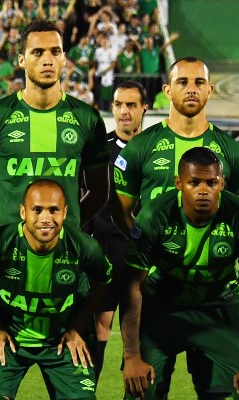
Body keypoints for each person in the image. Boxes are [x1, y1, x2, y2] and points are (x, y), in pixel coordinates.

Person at [120, 147, 239, 400]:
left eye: (211, 182)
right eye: (194, 182)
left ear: (222, 183)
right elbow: (131, 285)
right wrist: (132, 355)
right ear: (179, 183)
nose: (203, 190)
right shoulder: (154, 215)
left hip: (219, 308)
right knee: (142, 391)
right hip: (162, 308)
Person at [0, 179, 112, 400]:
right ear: (23, 212)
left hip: (61, 343)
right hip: (10, 340)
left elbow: (103, 280)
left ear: (65, 212)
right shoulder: (1, 241)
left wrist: (77, 327)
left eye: (53, 210)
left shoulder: (84, 246)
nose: (46, 219)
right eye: (37, 210)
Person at [0, 19, 109, 232]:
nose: (48, 60)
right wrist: (7, 231)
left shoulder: (87, 118)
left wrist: (67, 227)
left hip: (65, 253)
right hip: (11, 252)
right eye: (37, 52)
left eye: (55, 52)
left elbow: (99, 191)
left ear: (64, 59)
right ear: (21, 60)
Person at [114, 57, 239, 233]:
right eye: (182, 82)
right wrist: (143, 244)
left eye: (199, 83)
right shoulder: (138, 147)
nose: (191, 90)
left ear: (209, 90)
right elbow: (121, 213)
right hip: (154, 261)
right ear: (167, 90)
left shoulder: (234, 151)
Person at [82, 81, 147, 382]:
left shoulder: (153, 150)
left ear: (144, 109)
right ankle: (87, 389)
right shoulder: (98, 152)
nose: (124, 111)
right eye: (119, 104)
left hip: (141, 252)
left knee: (141, 332)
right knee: (100, 326)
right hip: (105, 248)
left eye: (131, 105)